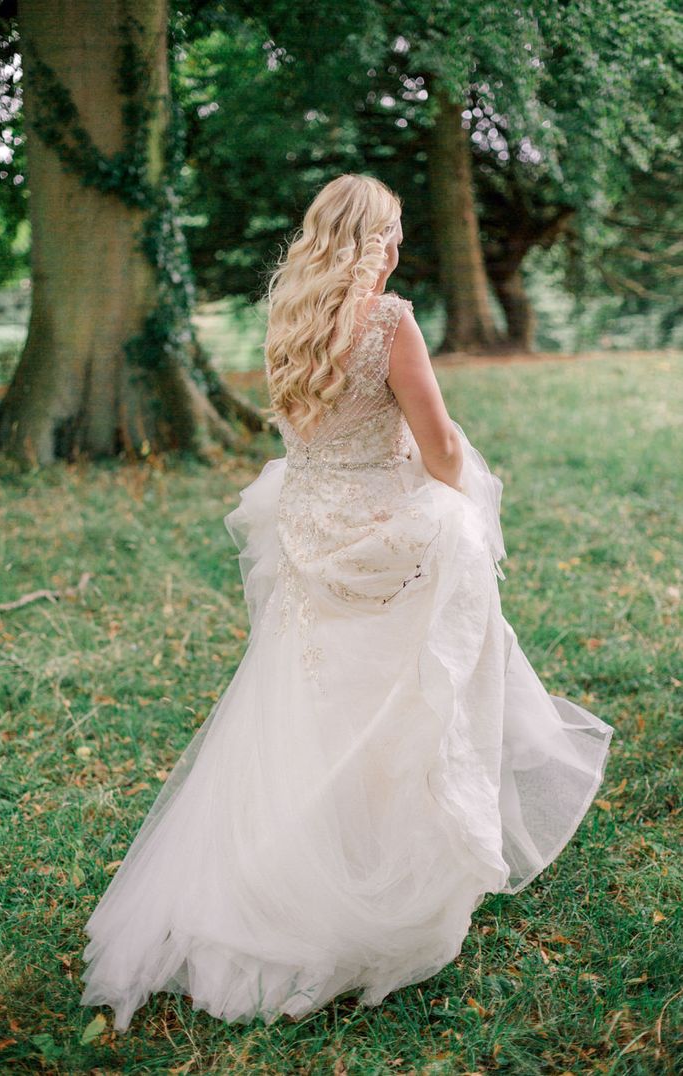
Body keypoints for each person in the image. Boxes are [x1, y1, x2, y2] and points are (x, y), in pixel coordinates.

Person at [79, 173, 614, 1032]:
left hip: (309, 525)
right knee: (406, 689)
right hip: (392, 531)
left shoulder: (288, 317)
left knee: (310, 699)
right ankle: (386, 866)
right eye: (393, 234)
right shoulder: (389, 322)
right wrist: (469, 510)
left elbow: (308, 437)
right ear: (377, 242)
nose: (398, 249)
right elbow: (437, 442)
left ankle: (289, 862)